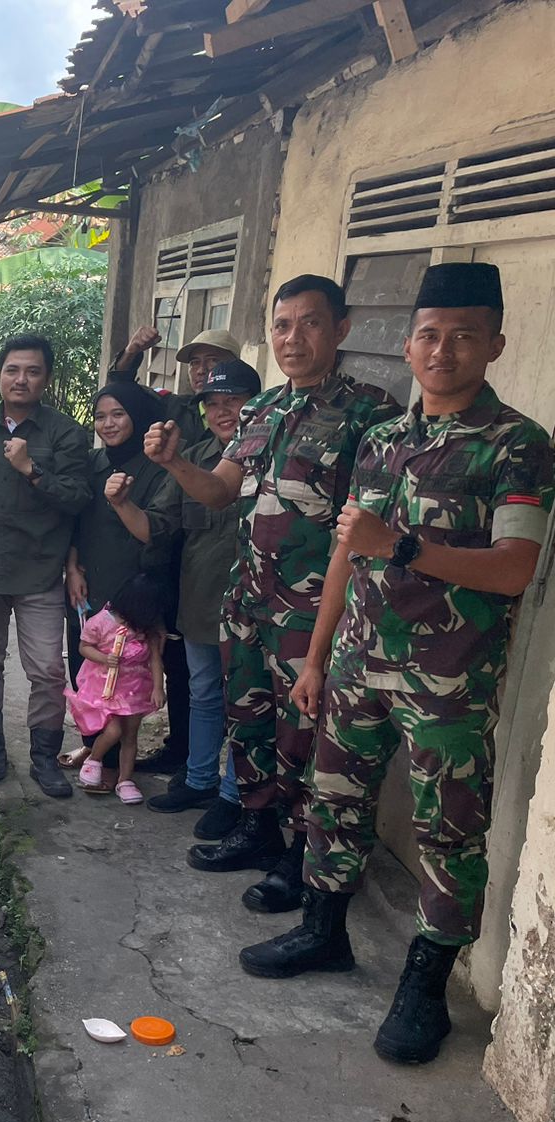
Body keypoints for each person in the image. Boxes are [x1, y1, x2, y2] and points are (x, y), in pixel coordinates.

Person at [240, 263, 553, 1065]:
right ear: (408, 346)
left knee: (448, 830)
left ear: (495, 345)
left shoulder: (517, 445)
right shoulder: (383, 440)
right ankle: (323, 932)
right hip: (354, 665)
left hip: (448, 680)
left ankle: (425, 986)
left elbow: (515, 568)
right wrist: (315, 658)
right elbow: (347, 554)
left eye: (463, 336)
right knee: (333, 802)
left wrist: (406, 548)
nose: (442, 351)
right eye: (428, 336)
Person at [145, 274, 402, 915]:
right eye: (282, 326)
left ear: (340, 330)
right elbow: (220, 490)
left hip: (312, 614)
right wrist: (175, 462)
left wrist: (322, 643)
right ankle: (258, 827)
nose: (293, 338)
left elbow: (360, 532)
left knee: (308, 739)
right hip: (250, 604)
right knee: (250, 724)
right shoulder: (262, 409)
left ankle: (301, 854)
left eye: (309, 323)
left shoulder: (371, 413)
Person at [0, 335, 92, 793]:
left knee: (48, 671)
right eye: (12, 370)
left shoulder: (65, 434)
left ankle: (44, 758)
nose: (21, 379)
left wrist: (32, 470)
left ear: (46, 379)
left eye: (32, 371)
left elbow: (79, 498)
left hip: (40, 571)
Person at [146, 360, 260, 839]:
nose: (222, 412)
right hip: (200, 598)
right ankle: (199, 780)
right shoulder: (192, 456)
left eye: (233, 401)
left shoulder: (271, 455)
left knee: (247, 702)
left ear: (257, 404)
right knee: (204, 692)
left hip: (255, 604)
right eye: (213, 404)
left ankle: (235, 795)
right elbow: (159, 523)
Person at [65, 382, 174, 705]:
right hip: (87, 587)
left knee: (127, 685)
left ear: (137, 416)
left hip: (135, 591)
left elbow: (158, 534)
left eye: (118, 414)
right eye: (100, 417)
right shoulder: (90, 463)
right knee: (85, 674)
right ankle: (92, 735)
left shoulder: (157, 468)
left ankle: (117, 741)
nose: (108, 424)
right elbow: (74, 521)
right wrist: (72, 568)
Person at [64, 572, 167, 804]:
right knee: (113, 731)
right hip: (106, 687)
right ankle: (94, 759)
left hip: (134, 689)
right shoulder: (101, 622)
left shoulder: (146, 629)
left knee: (130, 736)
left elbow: (154, 660)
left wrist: (158, 688)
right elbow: (83, 647)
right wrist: (103, 658)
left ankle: (125, 780)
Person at [110, 325, 242, 445]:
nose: (201, 370)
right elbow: (121, 390)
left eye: (213, 361)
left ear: (236, 366)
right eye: (194, 362)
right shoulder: (172, 408)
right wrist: (131, 352)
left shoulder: (248, 412)